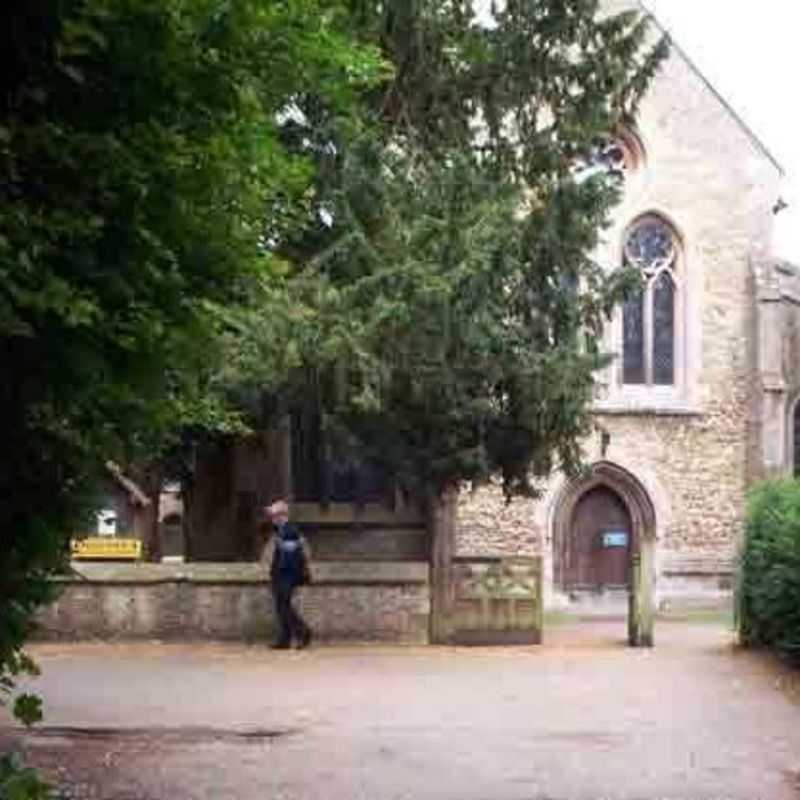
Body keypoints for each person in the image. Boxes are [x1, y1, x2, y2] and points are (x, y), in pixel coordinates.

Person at [263, 499, 312, 649]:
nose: (272, 519)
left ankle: (303, 632)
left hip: (286, 576)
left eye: (274, 515)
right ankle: (285, 638)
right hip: (282, 575)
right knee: (281, 607)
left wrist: (282, 576)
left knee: (284, 607)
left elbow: (289, 557)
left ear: (282, 516)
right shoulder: (281, 531)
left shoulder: (289, 531)